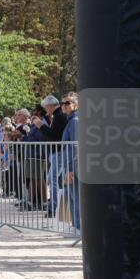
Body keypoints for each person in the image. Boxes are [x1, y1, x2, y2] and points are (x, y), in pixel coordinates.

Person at [60, 93, 79, 230]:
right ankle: (75, 225)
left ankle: (78, 227)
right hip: (69, 163)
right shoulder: (70, 120)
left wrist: (70, 168)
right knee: (70, 196)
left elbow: (75, 146)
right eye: (63, 103)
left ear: (76, 105)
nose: (64, 105)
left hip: (74, 164)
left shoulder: (75, 121)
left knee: (75, 197)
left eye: (67, 103)